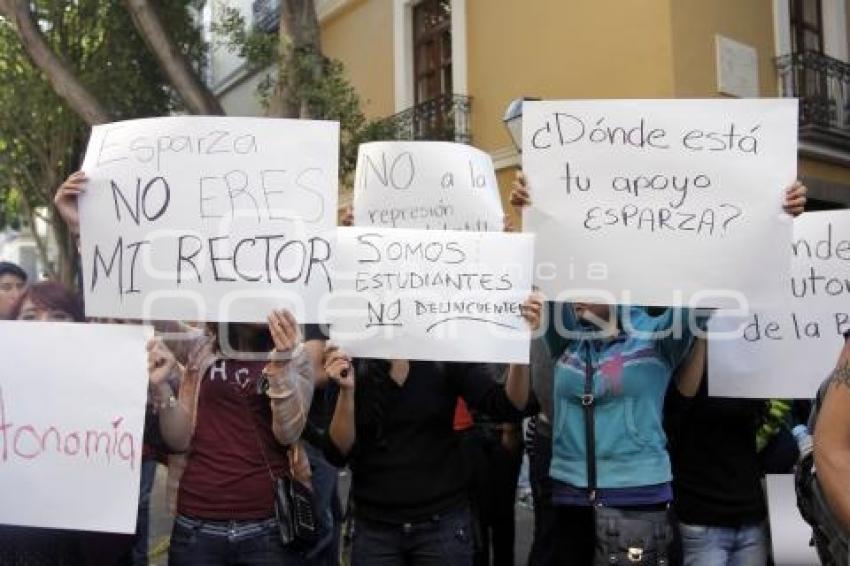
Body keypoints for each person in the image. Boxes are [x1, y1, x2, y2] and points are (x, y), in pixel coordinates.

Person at [510, 172, 805, 565]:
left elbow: (713, 282)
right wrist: (530, 209)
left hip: (638, 504)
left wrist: (771, 218)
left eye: (586, 275)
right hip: (568, 499)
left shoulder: (657, 334)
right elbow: (541, 261)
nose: (572, 286)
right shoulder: (565, 333)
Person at [321, 293, 540, 566]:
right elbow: (337, 453)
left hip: (442, 526)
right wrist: (346, 391)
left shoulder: (442, 351)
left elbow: (506, 405)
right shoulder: (352, 356)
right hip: (375, 527)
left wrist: (519, 346)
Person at [665, 183, 806, 566]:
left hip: (750, 518)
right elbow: (681, 402)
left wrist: (782, 217)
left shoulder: (753, 346)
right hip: (701, 523)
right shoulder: (681, 342)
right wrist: (704, 322)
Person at [147, 311, 315, 566]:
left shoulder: (296, 355)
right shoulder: (202, 347)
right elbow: (156, 317)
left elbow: (288, 433)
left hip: (267, 527)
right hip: (197, 525)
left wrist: (282, 364)